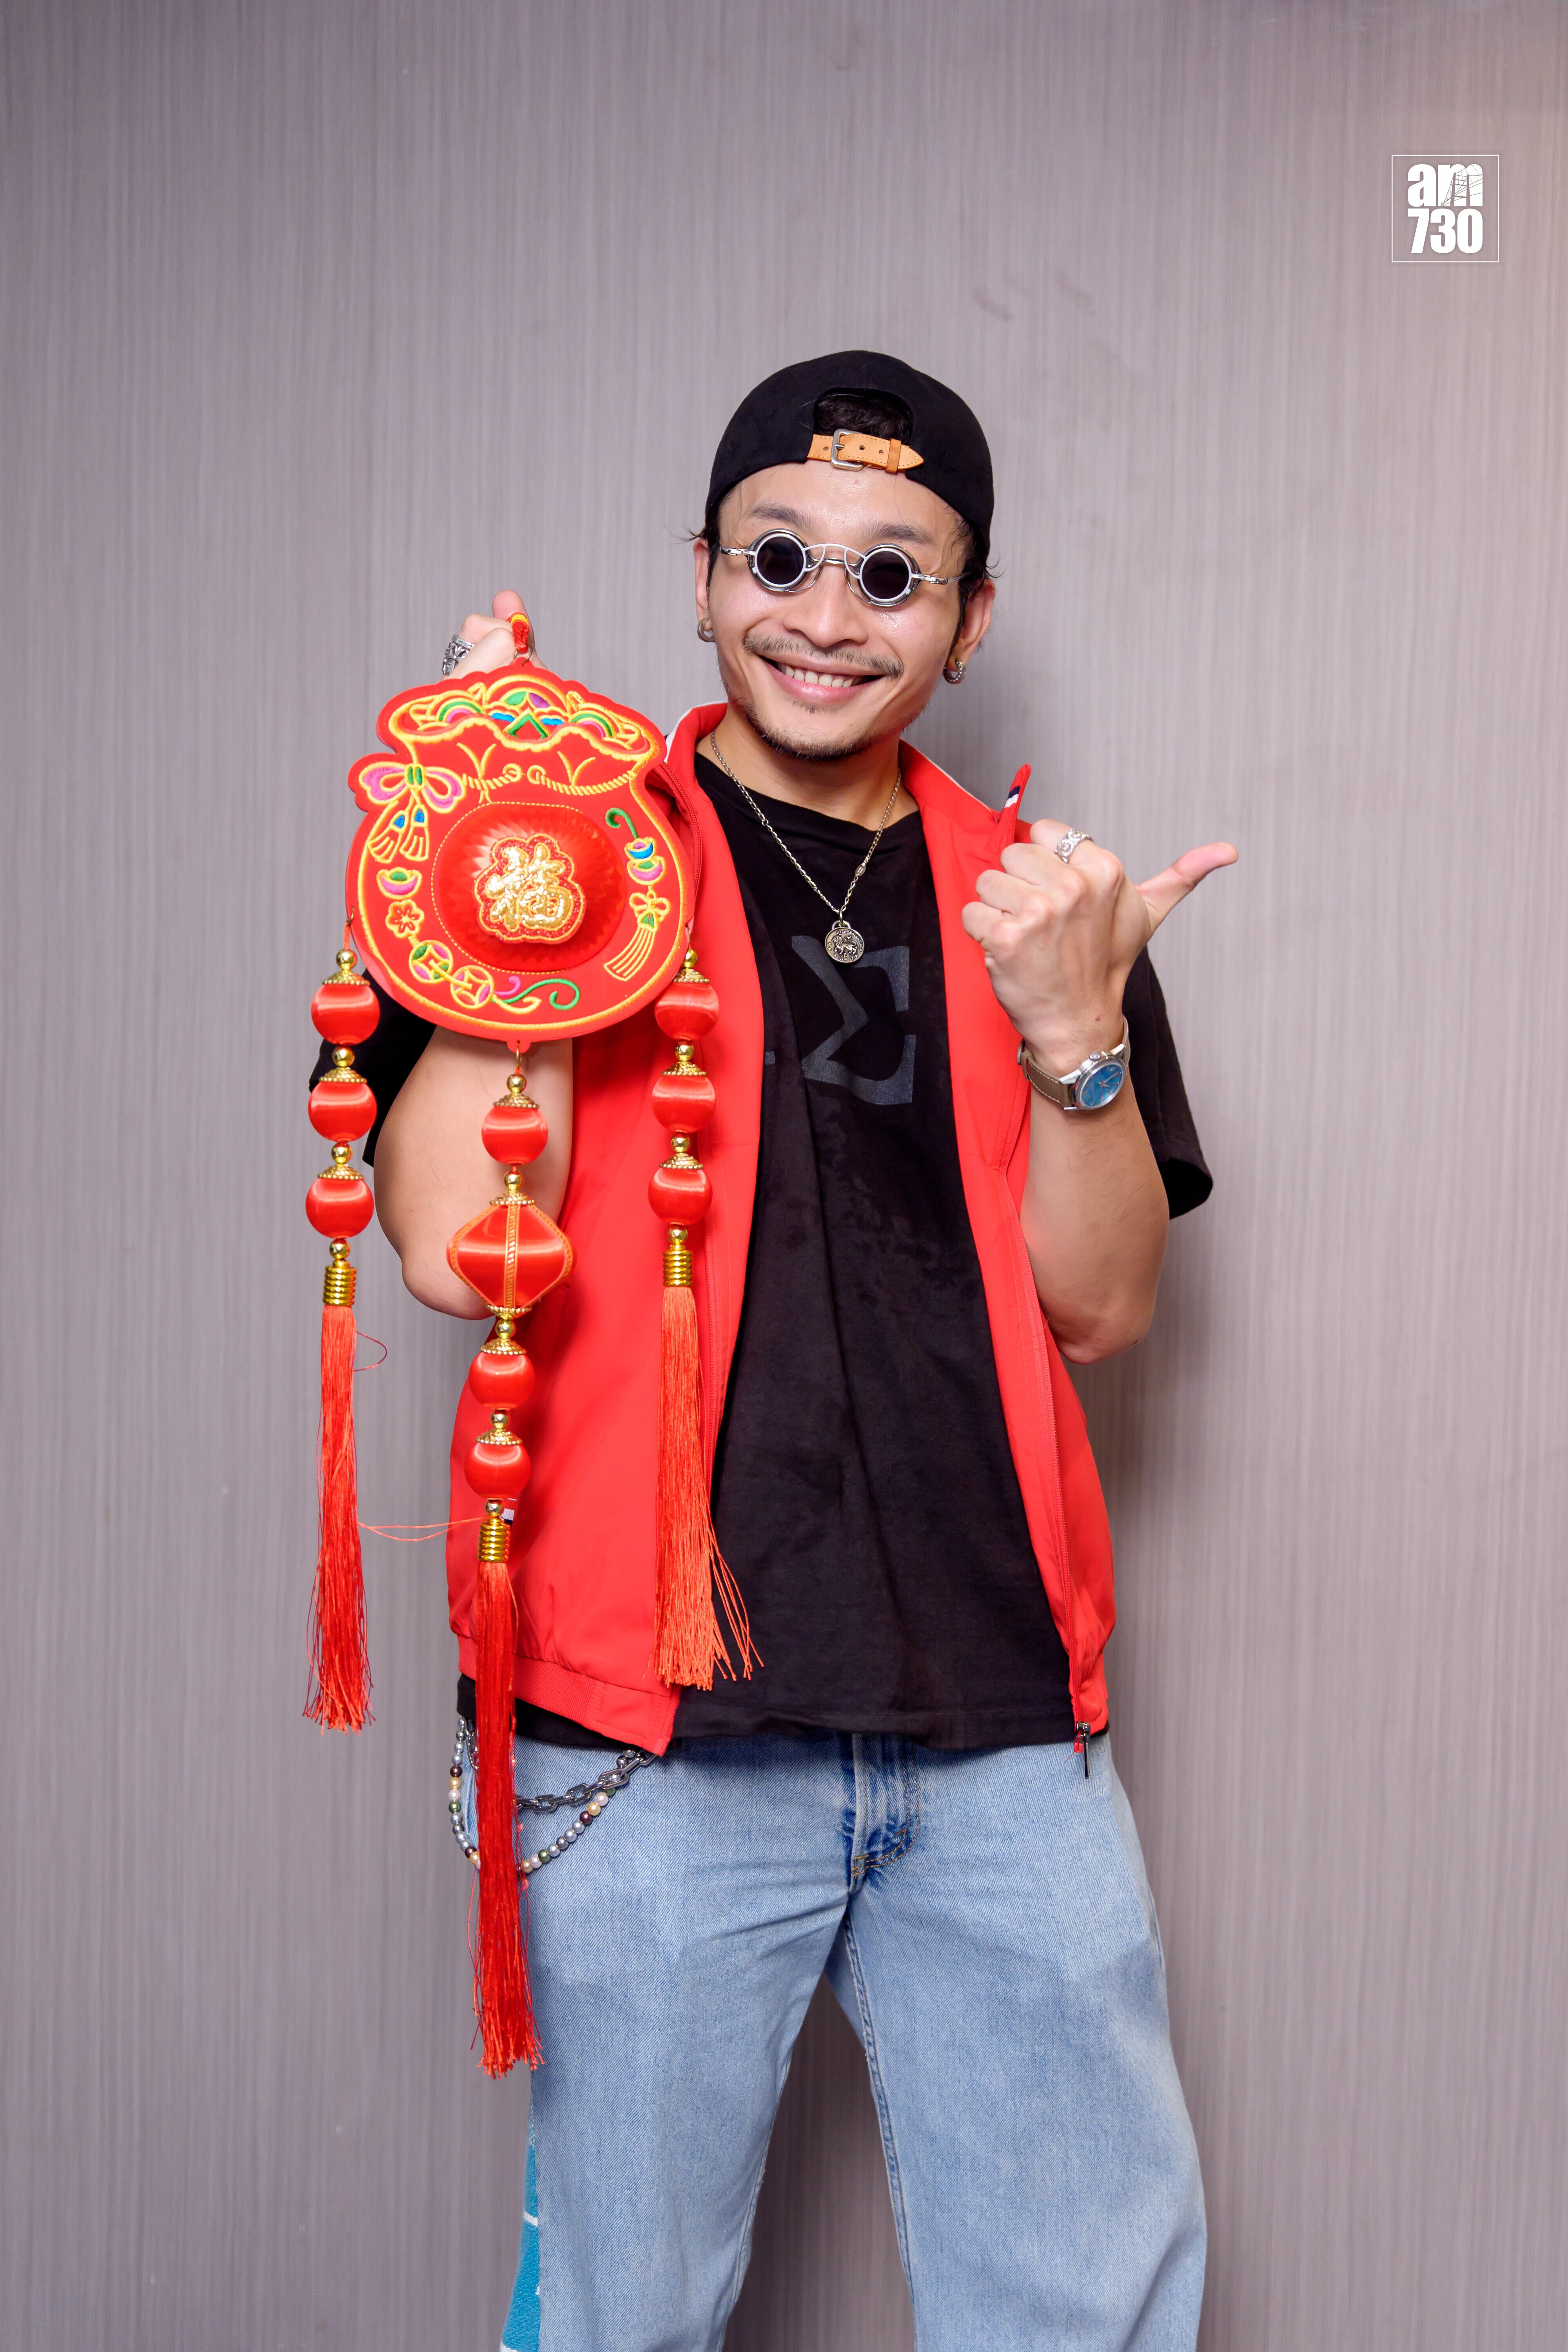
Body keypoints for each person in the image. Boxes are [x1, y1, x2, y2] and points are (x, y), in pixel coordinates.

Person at [336, 351, 1235, 2352]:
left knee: (1087, 2311)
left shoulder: (1041, 907)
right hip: (644, 1736)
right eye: (780, 558)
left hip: (1001, 1728)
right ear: (700, 576)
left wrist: (1077, 1029)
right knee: (629, 2316)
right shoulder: (565, 843)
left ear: (968, 618)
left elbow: (1101, 1308)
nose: (827, 615)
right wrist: (513, 858)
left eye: (892, 575)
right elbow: (452, 1250)